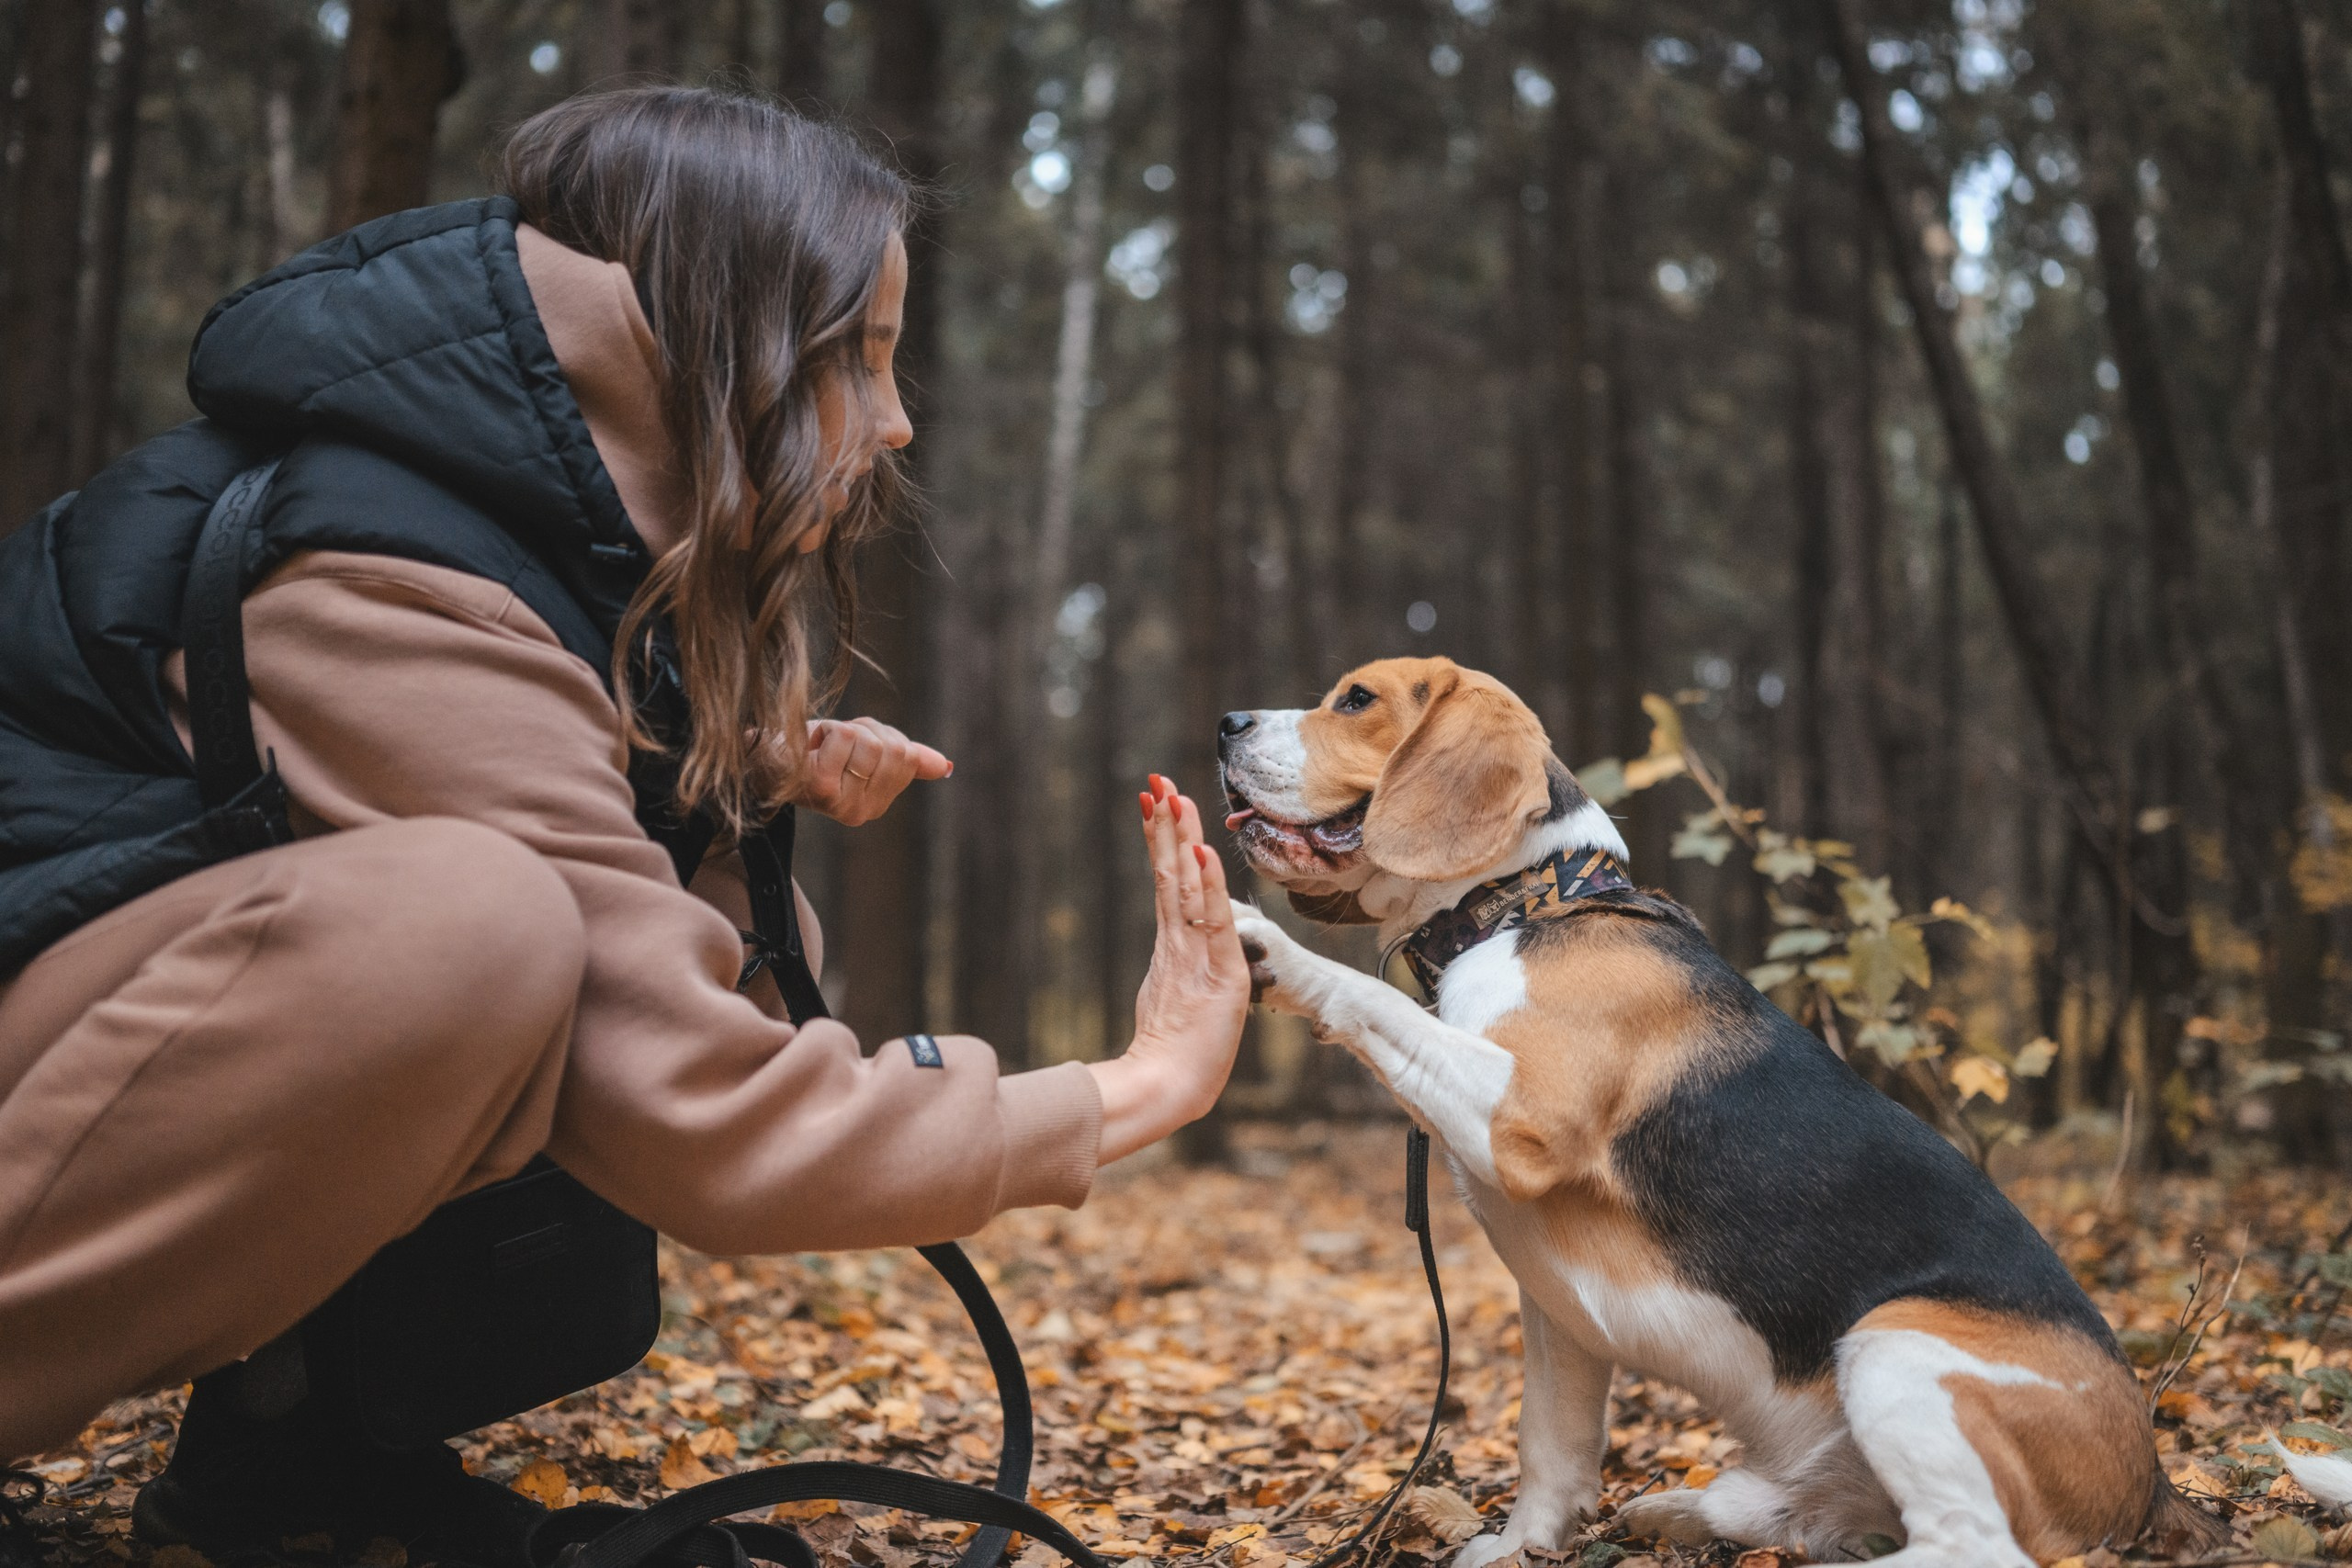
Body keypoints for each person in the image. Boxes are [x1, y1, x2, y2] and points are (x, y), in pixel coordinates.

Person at [0, 87, 1250, 1565]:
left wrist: (712, 778)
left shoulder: (515, 531)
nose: (899, 419)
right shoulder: (388, 568)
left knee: (659, 924)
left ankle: (291, 1475)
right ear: (721, 343)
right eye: (857, 355)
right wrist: (1138, 1085)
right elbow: (693, 1117)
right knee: (476, 935)